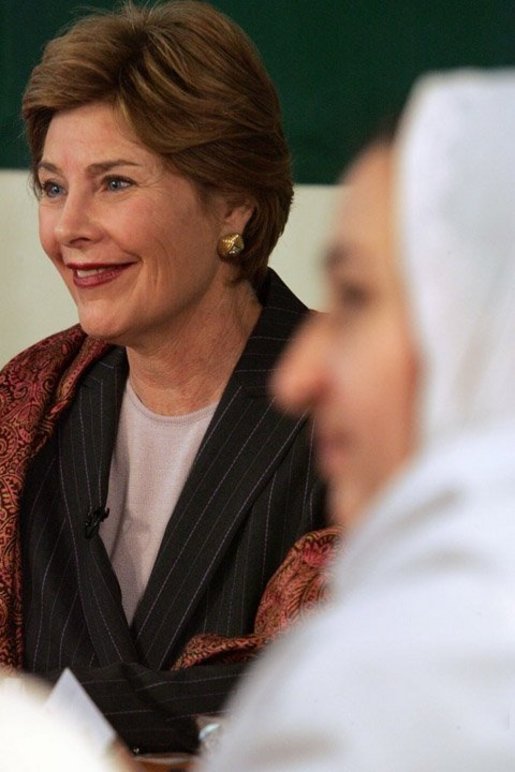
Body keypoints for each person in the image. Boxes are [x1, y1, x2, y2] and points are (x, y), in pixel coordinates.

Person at [0, 0, 327, 754]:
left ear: (232, 204)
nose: (68, 228)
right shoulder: (29, 403)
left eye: (114, 183)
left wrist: (55, 712)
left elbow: (360, 671)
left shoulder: (357, 406)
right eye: (52, 187)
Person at [199, 69, 515, 770]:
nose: (295, 379)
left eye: (356, 296)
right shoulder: (39, 394)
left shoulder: (401, 682)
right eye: (50, 185)